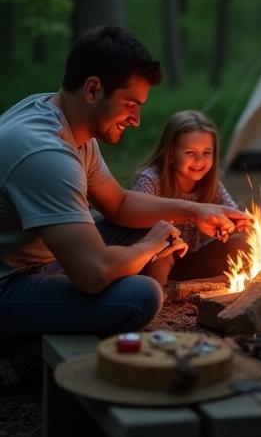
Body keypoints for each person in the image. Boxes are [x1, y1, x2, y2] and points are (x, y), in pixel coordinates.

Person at [0, 25, 247, 390]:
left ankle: (68, 327)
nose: (136, 119)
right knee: (141, 296)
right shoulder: (44, 152)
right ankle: (22, 358)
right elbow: (93, 274)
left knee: (143, 227)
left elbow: (119, 204)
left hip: (39, 259)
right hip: (8, 287)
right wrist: (151, 245)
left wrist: (194, 211)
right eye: (130, 104)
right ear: (93, 89)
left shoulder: (66, 120)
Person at [97, 109, 246, 286]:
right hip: (147, 259)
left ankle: (195, 285)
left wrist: (239, 223)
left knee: (242, 241)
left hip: (188, 259)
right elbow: (139, 226)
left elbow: (231, 212)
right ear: (170, 154)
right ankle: (159, 296)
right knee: (166, 245)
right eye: (190, 153)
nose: (199, 160)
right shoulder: (151, 180)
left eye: (207, 153)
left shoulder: (211, 186)